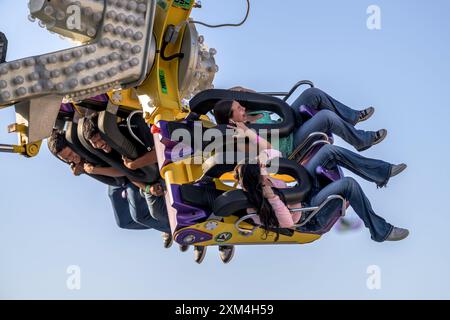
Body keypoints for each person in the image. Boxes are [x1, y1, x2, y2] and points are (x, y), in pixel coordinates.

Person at [234, 145, 409, 242]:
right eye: (260, 168)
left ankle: (380, 172)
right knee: (349, 185)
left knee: (328, 151)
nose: (264, 167)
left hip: (305, 192)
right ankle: (380, 231)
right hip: (309, 215)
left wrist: (263, 156)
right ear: (256, 176)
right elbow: (286, 223)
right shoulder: (254, 207)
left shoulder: (265, 178)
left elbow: (275, 153)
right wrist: (272, 198)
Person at [213, 87, 386, 156]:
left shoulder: (251, 111)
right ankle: (362, 140)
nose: (242, 108)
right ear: (230, 119)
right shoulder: (240, 139)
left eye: (240, 104)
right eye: (238, 109)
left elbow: (249, 95)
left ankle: (351, 117)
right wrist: (246, 131)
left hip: (287, 122)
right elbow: (267, 149)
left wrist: (241, 91)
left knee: (312, 94)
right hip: (291, 146)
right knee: (326, 117)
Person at [47, 130, 151, 231]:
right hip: (115, 182)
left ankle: (165, 223)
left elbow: (123, 171)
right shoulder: (74, 161)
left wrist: (94, 170)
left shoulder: (91, 147)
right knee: (123, 221)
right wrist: (81, 169)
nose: (71, 159)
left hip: (128, 176)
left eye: (70, 154)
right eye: (66, 159)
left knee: (139, 216)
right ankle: (159, 223)